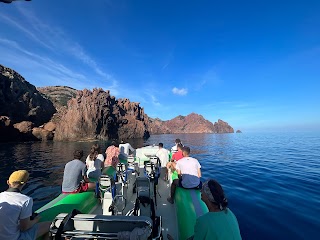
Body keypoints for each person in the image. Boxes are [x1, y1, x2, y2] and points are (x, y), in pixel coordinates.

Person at [167, 179, 242, 240]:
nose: (200, 191)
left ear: (208, 196)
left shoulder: (203, 221)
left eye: (203, 190)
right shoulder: (229, 213)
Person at [0, 170, 51, 240]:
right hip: (15, 238)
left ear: (8, 182)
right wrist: (36, 219)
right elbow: (24, 228)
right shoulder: (26, 200)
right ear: (25, 183)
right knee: (50, 225)